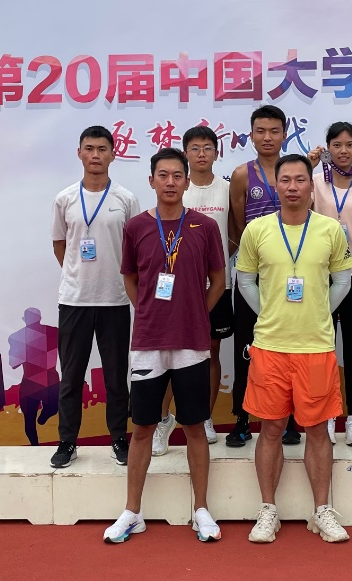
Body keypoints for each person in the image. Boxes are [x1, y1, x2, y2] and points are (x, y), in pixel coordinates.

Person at [104, 148, 227, 543]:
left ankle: (201, 510)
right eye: (163, 175)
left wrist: (197, 311)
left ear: (187, 182)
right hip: (148, 342)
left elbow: (218, 280)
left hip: (191, 341)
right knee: (143, 428)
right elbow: (129, 277)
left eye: (177, 175)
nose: (171, 182)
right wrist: (146, 309)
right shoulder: (137, 226)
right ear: (151, 180)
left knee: (194, 426)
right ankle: (132, 512)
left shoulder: (205, 227)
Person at [236, 154, 352, 544]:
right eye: (285, 179)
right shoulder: (256, 230)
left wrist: (318, 313)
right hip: (270, 346)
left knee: (317, 430)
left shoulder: (330, 229)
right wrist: (269, 313)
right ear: (276, 186)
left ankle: (322, 510)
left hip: (316, 346)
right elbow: (245, 280)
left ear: (311, 185)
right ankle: (267, 509)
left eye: (300, 179)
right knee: (270, 428)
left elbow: (343, 281)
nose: (292, 187)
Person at [50, 125, 141, 468]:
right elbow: (60, 245)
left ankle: (118, 438)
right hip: (74, 300)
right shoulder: (65, 199)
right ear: (79, 153)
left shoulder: (125, 199)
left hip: (114, 299)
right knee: (71, 377)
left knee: (116, 377)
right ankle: (67, 442)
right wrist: (78, 273)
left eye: (102, 149)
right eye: (89, 149)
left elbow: (134, 250)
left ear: (113, 154)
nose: (95, 155)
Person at [150, 126, 232, 455]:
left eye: (208, 148)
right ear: (185, 153)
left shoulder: (227, 189)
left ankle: (205, 417)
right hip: (175, 287)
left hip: (216, 286)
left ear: (217, 153)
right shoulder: (177, 187)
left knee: (210, 351)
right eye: (195, 148)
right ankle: (163, 419)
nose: (201, 154)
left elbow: (235, 232)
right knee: (171, 353)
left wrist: (216, 267)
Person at [227, 105, 302, 448]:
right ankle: (242, 420)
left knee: (292, 347)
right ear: (251, 135)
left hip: (291, 276)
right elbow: (237, 226)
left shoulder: (296, 171)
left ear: (285, 134)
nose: (267, 137)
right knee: (247, 346)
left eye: (274, 131)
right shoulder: (242, 174)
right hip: (252, 275)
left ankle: (291, 420)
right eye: (261, 131)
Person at [307, 122, 352, 446]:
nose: (343, 150)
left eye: (350, 144)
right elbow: (295, 211)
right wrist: (307, 165)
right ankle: (326, 417)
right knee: (322, 351)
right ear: (327, 148)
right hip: (320, 277)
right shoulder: (314, 181)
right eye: (336, 145)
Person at [8, 308, 61, 447]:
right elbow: (13, 363)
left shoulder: (54, 332)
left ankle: (42, 420)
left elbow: (13, 363)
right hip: (34, 383)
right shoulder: (18, 337)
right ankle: (35, 446)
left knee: (46, 412)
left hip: (45, 381)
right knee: (30, 419)